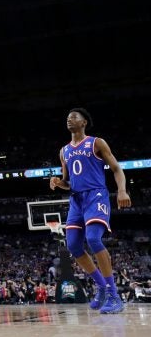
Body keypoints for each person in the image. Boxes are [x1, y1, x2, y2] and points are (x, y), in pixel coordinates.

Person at [49, 107, 131, 314]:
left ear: (84, 122)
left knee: (94, 239)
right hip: (76, 199)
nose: (69, 119)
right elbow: (69, 182)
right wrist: (59, 183)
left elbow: (117, 168)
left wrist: (122, 190)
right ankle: (102, 287)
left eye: (74, 117)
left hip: (96, 196)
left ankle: (114, 295)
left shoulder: (96, 142)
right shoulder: (64, 151)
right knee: (74, 245)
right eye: (67, 117)